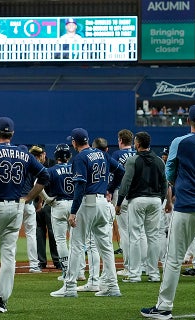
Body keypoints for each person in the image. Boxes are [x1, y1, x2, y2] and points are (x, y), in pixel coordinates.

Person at [141, 104, 195, 320]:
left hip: (188, 206)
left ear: (188, 121)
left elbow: (169, 171)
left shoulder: (180, 142)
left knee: (174, 259)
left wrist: (178, 185)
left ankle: (164, 307)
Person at [0, 117, 49, 313]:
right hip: (17, 207)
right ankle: (2, 302)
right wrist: (27, 197)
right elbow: (45, 176)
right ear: (12, 134)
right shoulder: (24, 154)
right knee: (8, 254)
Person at [51, 128, 125, 298]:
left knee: (77, 245)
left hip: (88, 203)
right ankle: (112, 286)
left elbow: (79, 186)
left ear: (74, 143)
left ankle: (69, 286)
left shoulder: (80, 158)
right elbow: (121, 171)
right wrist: (110, 189)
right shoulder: (102, 154)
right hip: (103, 203)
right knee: (106, 247)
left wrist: (73, 211)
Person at [116, 131, 167, 283]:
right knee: (153, 237)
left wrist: (119, 202)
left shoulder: (133, 160)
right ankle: (154, 273)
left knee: (135, 237)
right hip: (156, 201)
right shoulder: (159, 161)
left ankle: (135, 274)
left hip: (137, 200)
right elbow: (165, 183)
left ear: (137, 144)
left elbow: (126, 182)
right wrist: (161, 199)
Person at [42, 144, 75, 280]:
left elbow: (38, 185)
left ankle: (66, 272)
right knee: (76, 241)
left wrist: (47, 200)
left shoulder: (51, 170)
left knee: (61, 240)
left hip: (59, 205)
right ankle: (77, 271)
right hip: (74, 205)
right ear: (69, 156)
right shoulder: (75, 168)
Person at [111, 129, 138, 278]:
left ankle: (129, 267)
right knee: (139, 232)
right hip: (138, 194)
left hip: (121, 193)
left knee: (125, 232)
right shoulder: (137, 154)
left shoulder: (116, 155)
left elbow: (113, 175)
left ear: (121, 140)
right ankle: (143, 265)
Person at [19, 145, 44, 273]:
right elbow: (39, 184)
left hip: (15, 204)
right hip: (28, 203)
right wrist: (39, 201)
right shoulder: (32, 166)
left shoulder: (14, 165)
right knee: (31, 235)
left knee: (9, 235)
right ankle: (34, 265)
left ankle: (9, 264)